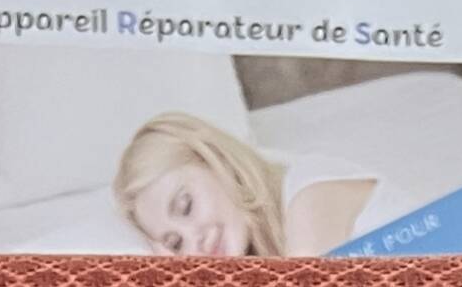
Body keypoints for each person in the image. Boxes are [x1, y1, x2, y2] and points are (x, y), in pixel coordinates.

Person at [114, 110, 377, 258]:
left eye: (186, 206)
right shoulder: (268, 252)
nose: (195, 241)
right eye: (176, 244)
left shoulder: (312, 195)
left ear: (218, 160)